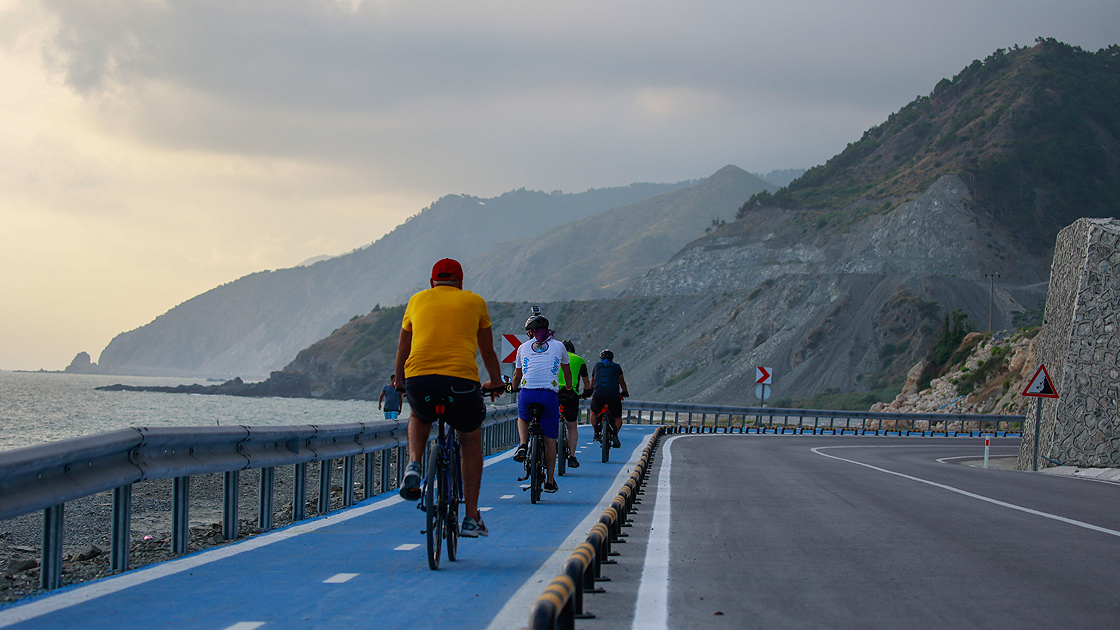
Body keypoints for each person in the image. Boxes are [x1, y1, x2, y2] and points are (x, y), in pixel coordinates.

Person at [395, 258, 503, 538]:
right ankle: (470, 518)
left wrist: (399, 382)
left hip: (419, 380)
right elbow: (488, 351)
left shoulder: (416, 300)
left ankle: (414, 464)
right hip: (462, 382)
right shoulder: (475, 301)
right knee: (469, 439)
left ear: (432, 282)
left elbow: (403, 349)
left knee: (419, 415)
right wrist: (496, 381)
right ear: (461, 283)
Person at [510, 310, 572, 494]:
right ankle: (550, 481)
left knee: (522, 417)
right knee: (550, 439)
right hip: (549, 395)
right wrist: (568, 389)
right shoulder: (559, 346)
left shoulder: (522, 347)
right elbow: (567, 373)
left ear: (530, 332)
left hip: (527, 393)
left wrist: (513, 387)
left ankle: (522, 444)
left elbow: (517, 375)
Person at [557, 340, 591, 468]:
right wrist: (587, 393)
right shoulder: (579, 360)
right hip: (571, 394)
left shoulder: (554, 357)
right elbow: (586, 382)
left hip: (553, 393)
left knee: (548, 422)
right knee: (571, 426)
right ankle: (572, 456)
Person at [590, 349, 628, 448]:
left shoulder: (597, 366)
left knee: (594, 412)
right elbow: (622, 381)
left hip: (598, 394)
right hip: (613, 395)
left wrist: (590, 391)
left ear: (601, 358)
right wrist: (625, 392)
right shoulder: (617, 367)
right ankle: (615, 435)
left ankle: (596, 433)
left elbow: (593, 381)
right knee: (617, 417)